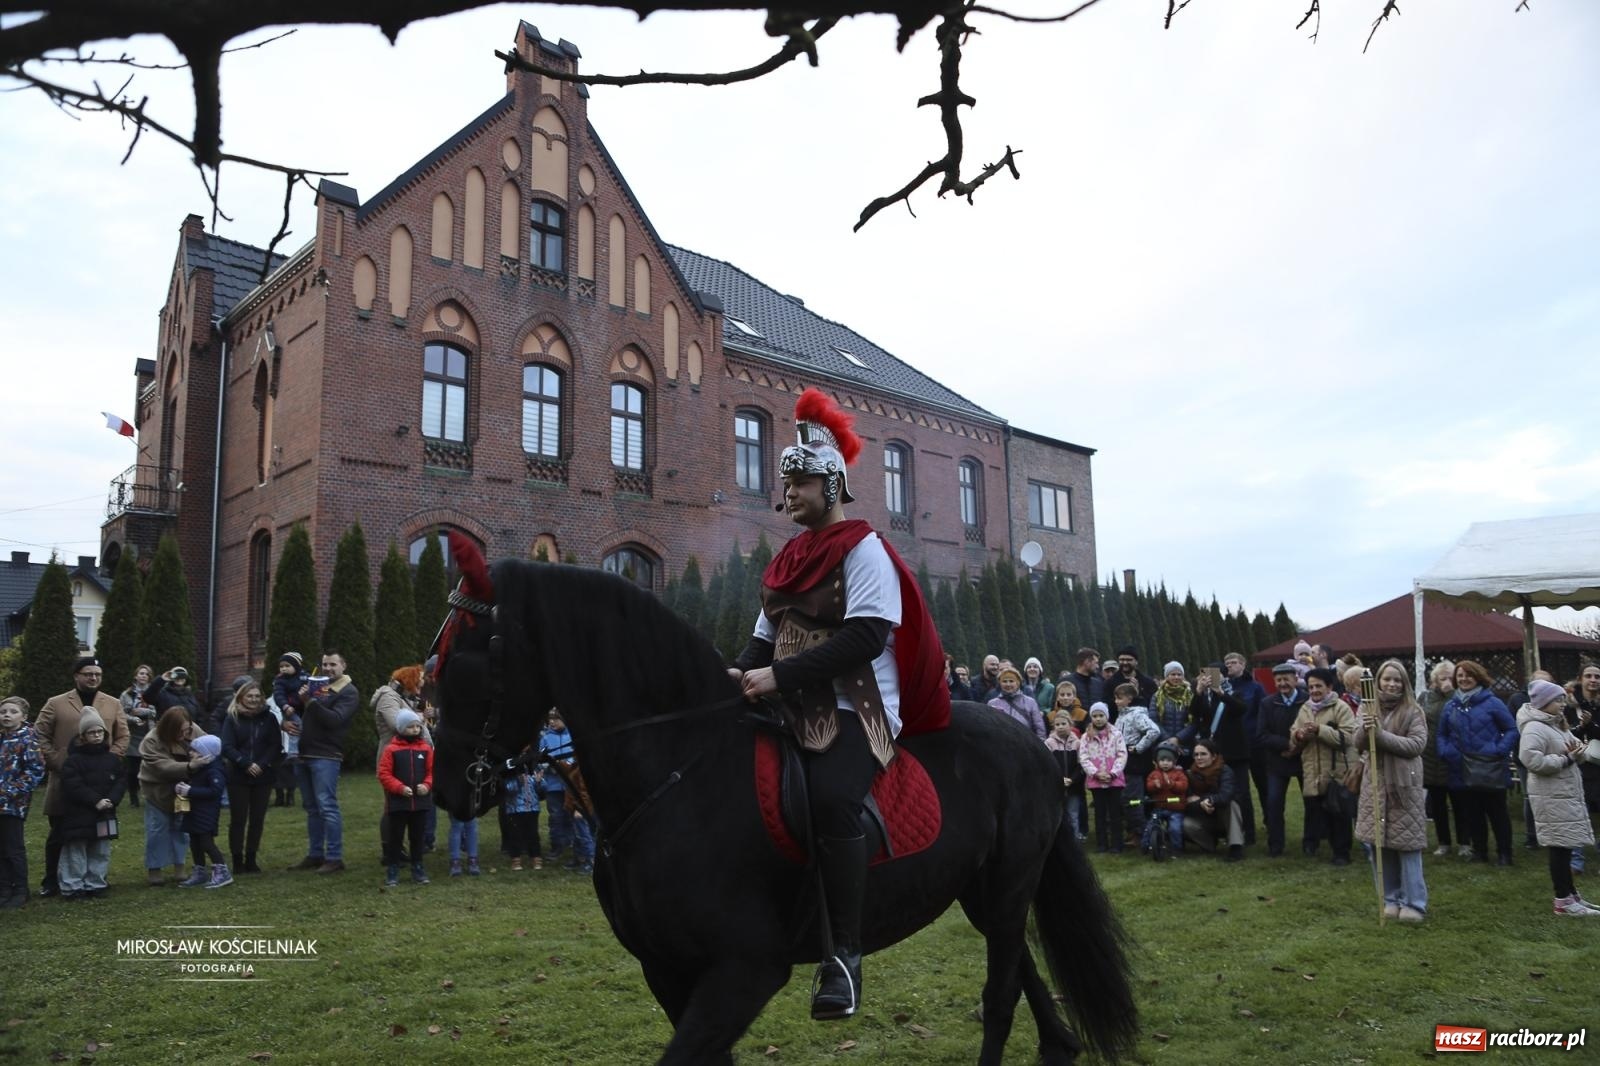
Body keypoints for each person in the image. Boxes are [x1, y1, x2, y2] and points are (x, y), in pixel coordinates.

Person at [728, 387, 950, 1021]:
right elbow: (760, 639)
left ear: (831, 488)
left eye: (799, 485)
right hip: (789, 701)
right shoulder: (785, 560)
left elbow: (866, 638)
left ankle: (844, 958)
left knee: (830, 798)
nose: (788, 495)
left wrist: (778, 678)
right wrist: (735, 672)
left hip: (856, 708)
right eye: (787, 485)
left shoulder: (864, 548)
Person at [34, 656, 129, 898]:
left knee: (98, 835)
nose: (93, 678)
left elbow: (122, 736)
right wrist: (57, 760)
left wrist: (110, 760)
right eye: (88, 674)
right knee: (61, 833)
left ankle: (94, 880)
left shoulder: (113, 703)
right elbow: (39, 734)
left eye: (97, 674)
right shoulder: (56, 703)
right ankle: (53, 881)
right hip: (66, 781)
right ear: (77, 675)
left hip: (101, 782)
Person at [1354, 660, 1429, 922]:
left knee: (1407, 845)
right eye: (1387, 679)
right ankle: (1390, 898)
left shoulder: (1413, 711)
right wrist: (1366, 729)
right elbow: (1357, 742)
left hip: (1403, 787)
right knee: (1379, 844)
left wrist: (1381, 735)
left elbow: (1416, 745)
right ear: (1378, 682)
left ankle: (1414, 902)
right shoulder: (1366, 707)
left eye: (1397, 680)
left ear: (1404, 684)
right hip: (1374, 784)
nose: (1392, 684)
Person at [1518, 680, 1600, 916]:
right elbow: (1532, 760)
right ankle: (1562, 900)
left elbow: (1569, 749)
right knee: (1559, 847)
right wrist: (1566, 760)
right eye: (1557, 700)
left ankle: (1571, 895)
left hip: (1564, 792)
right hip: (1550, 795)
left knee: (1565, 844)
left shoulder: (1556, 724)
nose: (1562, 704)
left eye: (1563, 699)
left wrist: (1578, 753)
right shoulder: (1534, 727)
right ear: (1543, 703)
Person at [1437, 659, 1519, 866]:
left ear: (1478, 677)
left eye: (1468, 675)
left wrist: (1498, 750)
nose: (1464, 679)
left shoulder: (1493, 703)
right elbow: (1442, 734)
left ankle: (1504, 853)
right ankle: (1479, 851)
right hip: (1462, 767)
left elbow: (1511, 729)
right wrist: (1447, 752)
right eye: (1460, 675)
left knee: (1497, 813)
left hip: (1490, 766)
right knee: (1472, 813)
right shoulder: (1450, 706)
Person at [287, 651, 360, 874]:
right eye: (325, 664)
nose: (328, 668)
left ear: (343, 666)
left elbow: (335, 720)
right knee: (311, 808)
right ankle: (316, 854)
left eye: (333, 664)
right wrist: (292, 714)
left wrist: (310, 701)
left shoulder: (348, 692)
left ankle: (335, 857)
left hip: (326, 755)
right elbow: (306, 713)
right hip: (305, 753)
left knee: (327, 806)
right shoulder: (321, 687)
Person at [57, 709, 126, 900]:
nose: (96, 736)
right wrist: (95, 801)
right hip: (79, 813)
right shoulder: (74, 760)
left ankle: (96, 883)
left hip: (105, 812)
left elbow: (120, 780)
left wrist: (112, 799)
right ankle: (72, 886)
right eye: (91, 732)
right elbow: (73, 785)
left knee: (100, 850)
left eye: (99, 732)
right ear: (83, 736)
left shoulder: (112, 759)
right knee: (75, 851)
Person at [1292, 667, 1357, 865]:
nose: (1314, 690)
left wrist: (1320, 730)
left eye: (1318, 686)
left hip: (1335, 771)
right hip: (1313, 770)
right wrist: (1298, 736)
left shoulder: (1341, 708)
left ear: (1329, 687)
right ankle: (1315, 844)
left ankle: (1342, 853)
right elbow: (1294, 733)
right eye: (1311, 687)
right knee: (1317, 810)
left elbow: (1347, 737)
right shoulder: (1305, 709)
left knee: (1338, 813)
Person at [1192, 659, 1257, 848]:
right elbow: (1196, 713)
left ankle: (1249, 833)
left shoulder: (1233, 692)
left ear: (1223, 675)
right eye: (1206, 674)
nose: (1209, 678)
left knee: (1242, 794)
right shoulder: (1203, 695)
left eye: (1214, 674)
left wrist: (1220, 692)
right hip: (1213, 753)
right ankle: (1223, 831)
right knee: (1217, 793)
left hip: (1236, 752)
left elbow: (1240, 709)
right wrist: (1198, 692)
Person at [139, 706, 205, 886]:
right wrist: (190, 767)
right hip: (158, 792)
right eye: (180, 731)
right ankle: (155, 868)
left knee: (181, 829)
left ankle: (180, 866)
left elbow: (209, 747)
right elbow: (161, 766)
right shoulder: (151, 740)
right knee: (157, 830)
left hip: (184, 791)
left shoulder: (194, 731)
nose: (185, 734)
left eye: (187, 730)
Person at [220, 679, 280, 874]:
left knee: (257, 819)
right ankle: (237, 860)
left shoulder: (269, 718)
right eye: (249, 696)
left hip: (263, 775)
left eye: (257, 696)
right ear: (241, 697)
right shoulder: (232, 718)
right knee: (238, 819)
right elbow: (227, 746)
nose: (253, 700)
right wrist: (245, 763)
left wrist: (261, 764)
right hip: (238, 775)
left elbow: (275, 745)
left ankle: (251, 858)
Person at [373, 665, 430, 864]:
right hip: (394, 759)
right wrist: (422, 718)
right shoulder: (389, 697)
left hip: (410, 758)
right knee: (393, 806)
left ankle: (399, 849)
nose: (423, 683)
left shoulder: (404, 699)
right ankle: (390, 851)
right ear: (410, 680)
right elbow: (398, 724)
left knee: (406, 806)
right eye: (420, 679)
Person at [377, 708, 433, 887]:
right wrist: (399, 788)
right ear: (401, 729)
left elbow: (432, 771)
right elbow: (384, 774)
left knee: (418, 838)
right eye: (411, 727)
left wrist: (427, 785)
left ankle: (418, 868)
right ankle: (393, 870)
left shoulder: (425, 748)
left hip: (421, 803)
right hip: (398, 803)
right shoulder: (391, 749)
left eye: (418, 726)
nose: (415, 730)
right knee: (396, 837)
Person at [1418, 660, 1469, 857]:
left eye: (1451, 677)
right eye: (1443, 678)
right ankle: (1443, 842)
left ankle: (1465, 842)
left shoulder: (1459, 697)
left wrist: (1450, 693)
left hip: (1454, 755)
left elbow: (1453, 716)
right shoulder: (1425, 697)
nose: (1447, 681)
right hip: (1431, 756)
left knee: (1460, 803)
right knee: (1437, 804)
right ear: (1435, 680)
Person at [1256, 662, 1305, 858]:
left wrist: (1297, 748)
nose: (1283, 684)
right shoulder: (1267, 703)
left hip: (1303, 759)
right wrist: (1286, 745)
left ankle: (1312, 841)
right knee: (1274, 802)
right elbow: (1261, 735)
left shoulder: (1307, 701)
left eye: (1286, 679)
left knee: (1312, 802)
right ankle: (1275, 845)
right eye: (1279, 680)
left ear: (1295, 679)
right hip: (1277, 761)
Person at [0, 696, 46, 908]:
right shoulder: (2, 737)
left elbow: (35, 771)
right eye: (3, 711)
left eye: (12, 711)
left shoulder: (28, 738)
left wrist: (9, 791)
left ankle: (20, 888)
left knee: (13, 848)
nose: (7, 715)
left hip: (13, 804)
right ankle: (4, 888)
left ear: (24, 716)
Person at [537, 708, 593, 872]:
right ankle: (560, 847)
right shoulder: (546, 738)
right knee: (557, 817)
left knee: (579, 824)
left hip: (574, 788)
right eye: (550, 719)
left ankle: (586, 858)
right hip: (555, 786)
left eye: (556, 718)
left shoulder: (573, 737)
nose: (552, 722)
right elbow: (541, 760)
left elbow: (576, 772)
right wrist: (552, 765)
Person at [174, 734, 231, 889]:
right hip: (194, 811)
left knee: (207, 842)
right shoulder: (200, 768)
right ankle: (199, 871)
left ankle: (222, 870)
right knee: (195, 842)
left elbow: (214, 791)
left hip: (206, 813)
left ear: (208, 753)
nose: (190, 753)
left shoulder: (215, 771)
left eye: (195, 750)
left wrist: (191, 791)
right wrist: (183, 787)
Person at [1112, 683, 1161, 849]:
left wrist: (1138, 747)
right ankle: (1133, 831)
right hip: (1123, 762)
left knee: (1133, 799)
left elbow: (1154, 731)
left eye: (1119, 698)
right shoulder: (1121, 716)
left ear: (1129, 699)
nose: (1116, 701)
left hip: (1134, 763)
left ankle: (1141, 833)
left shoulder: (1137, 714)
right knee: (1126, 799)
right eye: (1115, 698)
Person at [1183, 738, 1245, 860]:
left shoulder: (1225, 771)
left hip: (1223, 816)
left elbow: (1226, 795)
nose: (1199, 758)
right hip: (1203, 817)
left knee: (1232, 805)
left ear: (1213, 756)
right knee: (1184, 823)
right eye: (1196, 755)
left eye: (1203, 754)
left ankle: (1236, 847)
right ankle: (1209, 845)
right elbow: (1187, 802)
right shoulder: (1189, 774)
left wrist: (1207, 800)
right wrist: (1201, 804)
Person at [1079, 702, 1127, 854]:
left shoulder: (1116, 734)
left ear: (1107, 716)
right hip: (1096, 780)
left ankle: (1117, 844)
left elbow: (1122, 754)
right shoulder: (1086, 737)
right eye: (1095, 716)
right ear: (1091, 717)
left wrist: (1113, 773)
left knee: (1115, 813)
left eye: (1101, 715)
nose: (1098, 719)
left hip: (1115, 780)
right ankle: (1101, 844)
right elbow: (1083, 757)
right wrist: (1095, 773)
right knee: (1099, 813)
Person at [118, 664, 156, 807]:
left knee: (148, 768)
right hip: (133, 734)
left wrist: (139, 712)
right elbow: (122, 713)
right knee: (133, 769)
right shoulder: (126, 694)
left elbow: (156, 712)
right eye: (141, 673)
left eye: (146, 674)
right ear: (135, 676)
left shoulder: (155, 693)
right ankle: (134, 797)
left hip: (150, 734)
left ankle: (149, 796)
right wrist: (133, 718)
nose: (143, 676)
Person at [1143, 742, 1187, 856]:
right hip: (1159, 807)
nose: (1165, 763)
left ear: (1174, 761)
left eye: (1168, 760)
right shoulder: (1154, 774)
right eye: (1162, 760)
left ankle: (1177, 849)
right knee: (1151, 825)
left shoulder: (1179, 774)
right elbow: (1148, 786)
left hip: (1175, 809)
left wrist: (1172, 784)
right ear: (1157, 761)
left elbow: (1183, 786)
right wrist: (1154, 785)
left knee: (1175, 828)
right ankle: (1145, 845)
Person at [500, 754, 543, 872]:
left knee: (533, 835)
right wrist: (518, 782)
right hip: (515, 811)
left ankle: (536, 858)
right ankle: (516, 860)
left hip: (532, 809)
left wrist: (539, 781)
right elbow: (508, 789)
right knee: (515, 835)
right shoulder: (509, 778)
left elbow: (542, 789)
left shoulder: (531, 777)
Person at [1044, 713, 1083, 841]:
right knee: (1057, 814)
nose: (1060, 727)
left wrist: (1072, 779)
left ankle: (1074, 840)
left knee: (1073, 814)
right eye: (1057, 724)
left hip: (1074, 786)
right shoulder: (1049, 743)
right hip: (1055, 785)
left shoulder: (1077, 743)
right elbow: (1048, 765)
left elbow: (1080, 765)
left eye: (1063, 724)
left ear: (1070, 725)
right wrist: (1059, 779)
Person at [988, 665, 1046, 739]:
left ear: (1018, 683)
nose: (1008, 684)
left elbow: (1040, 728)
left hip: (1025, 743)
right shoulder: (992, 703)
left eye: (1011, 681)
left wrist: (1039, 746)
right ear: (1000, 683)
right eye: (1004, 681)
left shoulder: (1030, 702)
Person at [1150, 662, 1196, 755]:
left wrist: (1178, 738)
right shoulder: (1157, 696)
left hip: (1185, 743)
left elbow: (1194, 721)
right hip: (1162, 743)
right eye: (1173, 674)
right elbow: (1153, 720)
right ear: (1167, 676)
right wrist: (1168, 740)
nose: (1176, 677)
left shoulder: (1190, 695)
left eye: (1179, 674)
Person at [1063, 647, 1105, 711]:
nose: (1097, 666)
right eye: (1096, 663)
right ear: (1087, 662)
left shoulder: (1098, 684)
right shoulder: (1066, 682)